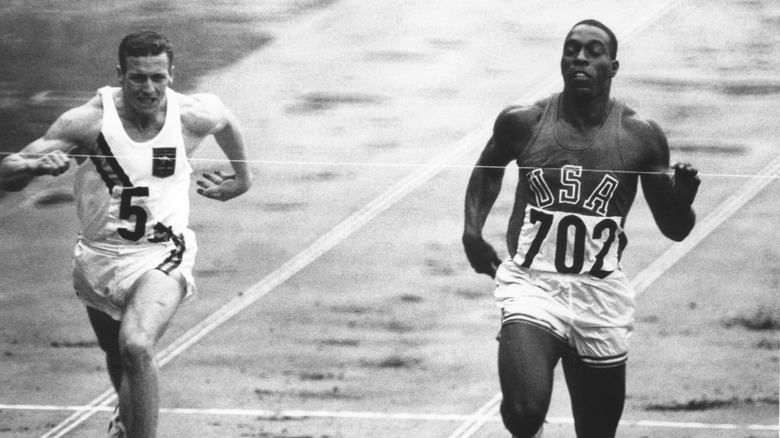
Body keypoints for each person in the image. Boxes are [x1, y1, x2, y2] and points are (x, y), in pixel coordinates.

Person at [0, 31, 251, 438]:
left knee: (135, 345)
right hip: (99, 256)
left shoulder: (190, 114)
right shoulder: (86, 121)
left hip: (163, 254)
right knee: (117, 357)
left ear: (172, 74)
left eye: (158, 77)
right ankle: (127, 414)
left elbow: (225, 119)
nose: (148, 89)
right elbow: (7, 172)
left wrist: (242, 179)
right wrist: (32, 167)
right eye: (137, 78)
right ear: (120, 74)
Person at [462, 19, 700, 438]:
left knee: (596, 432)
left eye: (593, 51)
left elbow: (675, 230)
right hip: (533, 286)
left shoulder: (640, 136)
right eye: (572, 49)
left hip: (600, 296)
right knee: (522, 412)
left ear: (613, 66)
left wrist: (681, 201)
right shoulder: (525, 122)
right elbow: (488, 166)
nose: (580, 59)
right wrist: (471, 230)